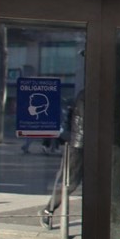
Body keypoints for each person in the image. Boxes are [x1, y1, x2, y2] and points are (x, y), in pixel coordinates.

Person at [40, 91, 84, 229]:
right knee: (69, 183)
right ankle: (48, 210)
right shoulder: (85, 96)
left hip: (90, 144)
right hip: (79, 144)